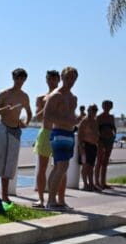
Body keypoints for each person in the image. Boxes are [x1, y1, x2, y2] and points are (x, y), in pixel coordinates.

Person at [0, 68, 33, 203]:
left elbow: (29, 112)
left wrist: (26, 122)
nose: (20, 81)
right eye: (18, 78)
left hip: (15, 130)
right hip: (2, 128)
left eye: (22, 78)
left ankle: (4, 195)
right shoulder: (4, 94)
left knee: (9, 163)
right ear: (13, 78)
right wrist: (3, 109)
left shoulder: (24, 96)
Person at [44, 66, 79, 210]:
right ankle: (51, 201)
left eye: (73, 78)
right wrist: (67, 121)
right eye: (68, 77)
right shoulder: (56, 95)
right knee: (62, 166)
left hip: (69, 134)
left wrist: (77, 120)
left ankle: (55, 200)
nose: (71, 81)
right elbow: (47, 116)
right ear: (62, 78)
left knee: (59, 167)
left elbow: (71, 116)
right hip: (58, 133)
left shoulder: (73, 97)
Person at [32, 70, 61, 208]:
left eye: (55, 79)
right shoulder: (41, 98)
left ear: (59, 80)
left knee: (60, 167)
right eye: (50, 79)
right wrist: (47, 105)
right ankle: (41, 199)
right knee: (42, 168)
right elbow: (37, 117)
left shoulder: (62, 96)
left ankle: (58, 200)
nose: (52, 81)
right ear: (46, 80)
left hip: (59, 132)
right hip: (45, 132)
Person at [77, 104, 99, 191]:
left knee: (91, 166)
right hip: (85, 146)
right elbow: (79, 135)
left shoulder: (95, 121)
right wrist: (81, 148)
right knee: (85, 166)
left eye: (96, 109)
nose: (94, 111)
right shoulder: (84, 121)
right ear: (88, 110)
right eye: (92, 109)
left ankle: (91, 184)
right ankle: (85, 184)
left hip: (93, 146)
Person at [95, 100, 116, 189]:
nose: (107, 107)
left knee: (105, 162)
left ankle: (103, 182)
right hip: (101, 140)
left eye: (109, 105)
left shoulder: (111, 117)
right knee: (99, 161)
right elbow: (96, 130)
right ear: (102, 106)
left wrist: (113, 137)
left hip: (110, 140)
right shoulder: (99, 117)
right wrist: (98, 140)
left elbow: (114, 128)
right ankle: (97, 182)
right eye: (105, 105)